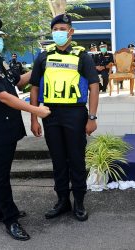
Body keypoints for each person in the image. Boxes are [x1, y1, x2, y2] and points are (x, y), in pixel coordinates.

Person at [0, 16, 51, 241]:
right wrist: (36, 111)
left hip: (4, 128)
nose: (0, 41)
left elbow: (17, 81)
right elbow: (4, 97)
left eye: (0, 37)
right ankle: (10, 219)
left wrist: (39, 62)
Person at [29, 14, 100, 222]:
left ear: (71, 32)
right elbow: (34, 87)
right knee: (58, 159)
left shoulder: (82, 56)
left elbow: (94, 87)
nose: (58, 32)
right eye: (55, 29)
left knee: (76, 159)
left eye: (63, 28)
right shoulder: (43, 56)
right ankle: (62, 201)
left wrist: (92, 117)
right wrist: (34, 118)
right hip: (49, 113)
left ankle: (79, 201)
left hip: (75, 113)